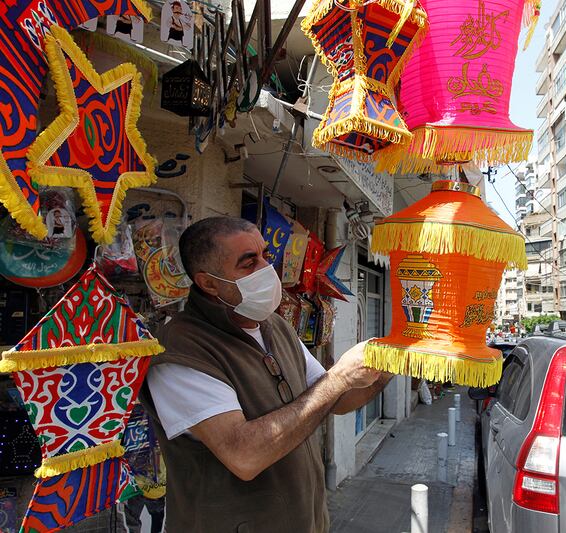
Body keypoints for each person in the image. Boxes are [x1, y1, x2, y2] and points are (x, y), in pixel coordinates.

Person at [140, 217, 391, 533]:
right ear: (209, 283)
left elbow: (336, 401)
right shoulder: (181, 349)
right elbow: (243, 455)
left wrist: (394, 361)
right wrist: (339, 377)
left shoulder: (275, 326)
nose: (266, 269)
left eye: (265, 256)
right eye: (248, 264)